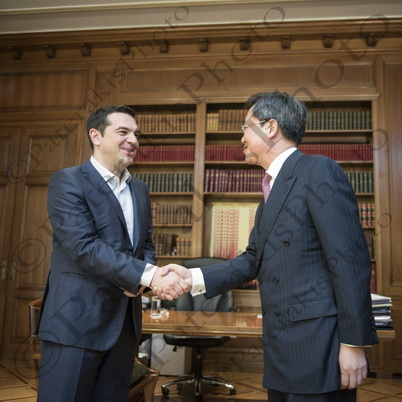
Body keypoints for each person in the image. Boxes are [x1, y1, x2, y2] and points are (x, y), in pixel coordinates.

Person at [158, 91, 378, 401]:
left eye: (246, 127)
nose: (242, 138)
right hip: (281, 345)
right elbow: (252, 260)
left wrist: (354, 344)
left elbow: (349, 260)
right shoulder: (271, 193)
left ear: (270, 127)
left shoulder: (318, 170)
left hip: (319, 344)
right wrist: (191, 276)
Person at [37, 105, 189, 402]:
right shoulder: (68, 181)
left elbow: (145, 244)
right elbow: (84, 246)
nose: (133, 140)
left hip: (124, 328)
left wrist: (143, 282)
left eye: (136, 134)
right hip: (76, 324)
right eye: (123, 132)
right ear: (96, 136)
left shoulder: (140, 189)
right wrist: (149, 276)